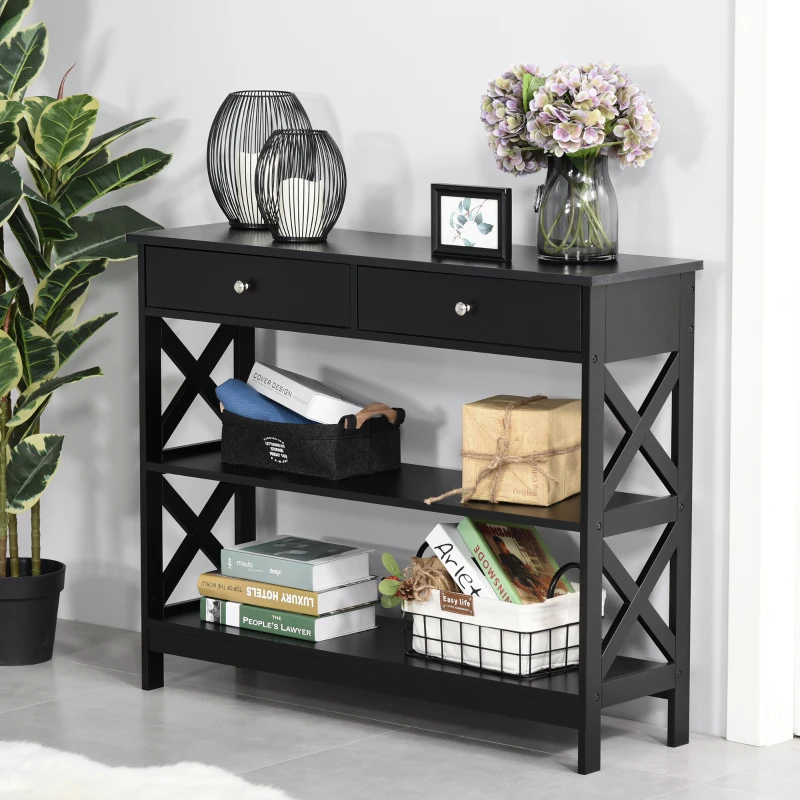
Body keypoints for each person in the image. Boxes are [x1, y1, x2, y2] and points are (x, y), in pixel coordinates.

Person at [491, 536, 546, 602]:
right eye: (499, 546)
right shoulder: (501, 556)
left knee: (532, 584)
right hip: (517, 575)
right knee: (516, 581)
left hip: (524, 574)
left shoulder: (512, 556)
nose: (501, 547)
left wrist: (527, 566)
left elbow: (522, 564)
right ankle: (540, 595)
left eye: (502, 545)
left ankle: (542, 600)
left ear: (504, 545)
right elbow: (505, 566)